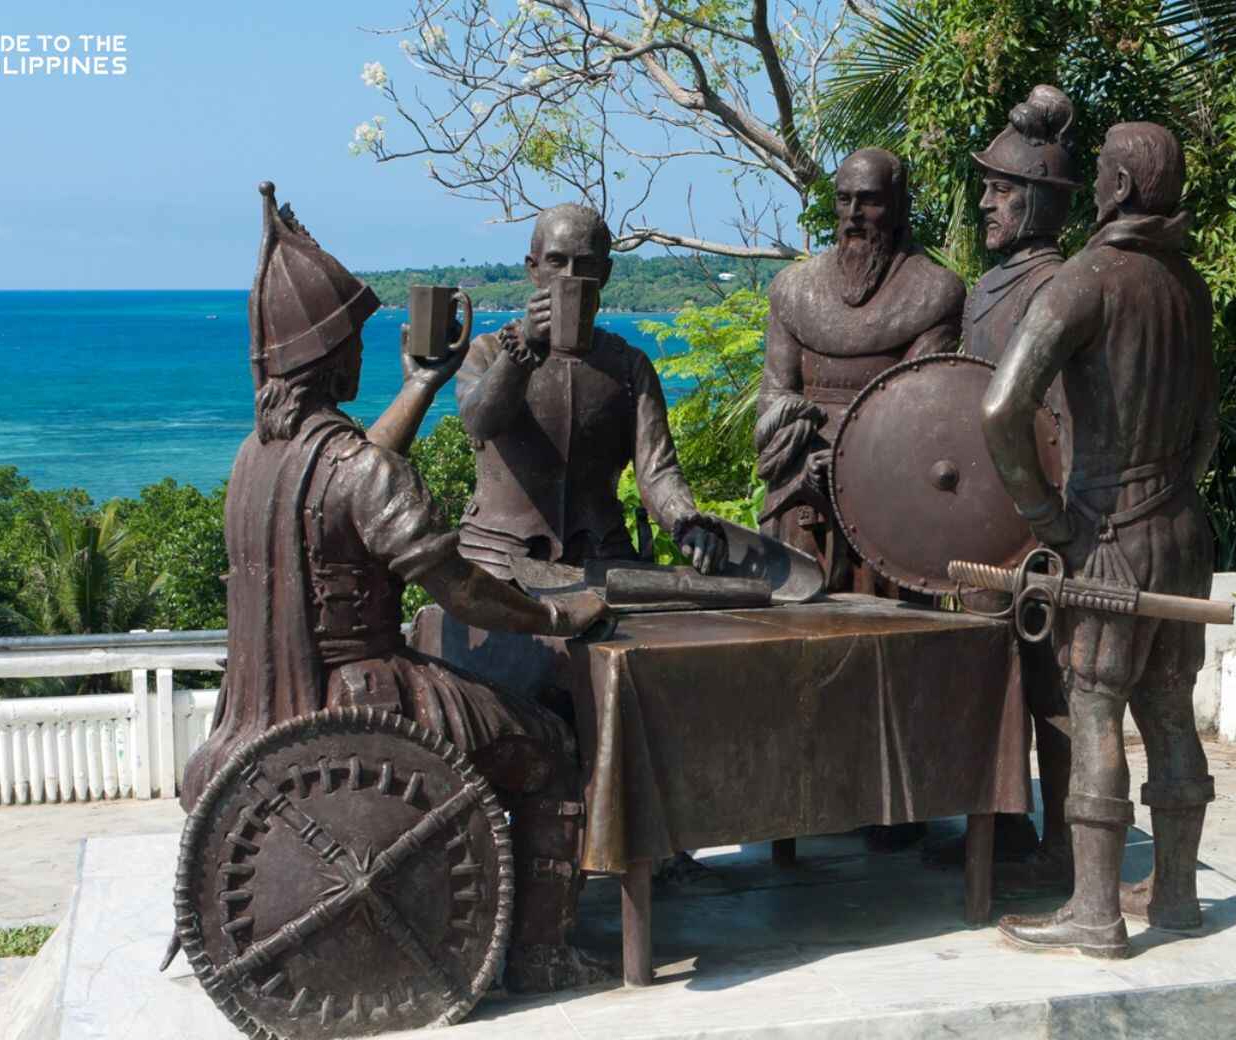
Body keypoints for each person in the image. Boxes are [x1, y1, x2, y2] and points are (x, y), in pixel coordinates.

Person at [181, 182, 611, 991]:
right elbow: (459, 589)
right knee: (550, 750)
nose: (358, 351)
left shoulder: (253, 460)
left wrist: (421, 382)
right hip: (362, 691)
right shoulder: (354, 468)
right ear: (330, 357)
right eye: (352, 340)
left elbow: (358, 470)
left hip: (255, 707)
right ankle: (539, 955)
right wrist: (552, 611)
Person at [981, 123, 1220, 957]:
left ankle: (1095, 913)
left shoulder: (1084, 282)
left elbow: (1001, 410)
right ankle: (1180, 900)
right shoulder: (1190, 286)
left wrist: (1048, 518)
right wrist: (1167, 490)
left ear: (1114, 188)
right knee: (1169, 708)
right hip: (1184, 528)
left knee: (1095, 713)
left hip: (1108, 532)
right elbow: (1209, 427)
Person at [926, 86, 1083, 874]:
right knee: (990, 676)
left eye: (1001, 190)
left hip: (1039, 515)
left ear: (1039, 202)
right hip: (984, 514)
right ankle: (1002, 825)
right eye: (986, 187)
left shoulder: (1060, 285)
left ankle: (1064, 838)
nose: (985, 201)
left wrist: (1052, 517)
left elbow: (1062, 415)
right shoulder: (986, 289)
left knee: (1052, 678)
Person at [453, 203, 726, 578]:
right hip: (497, 559)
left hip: (603, 558)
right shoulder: (488, 352)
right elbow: (480, 422)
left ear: (606, 273)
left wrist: (686, 522)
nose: (570, 276)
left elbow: (657, 470)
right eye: (556, 262)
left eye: (585, 265)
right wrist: (524, 349)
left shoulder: (629, 365)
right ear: (533, 268)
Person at [757, 148, 965, 595]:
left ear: (898, 207)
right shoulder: (793, 291)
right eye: (844, 199)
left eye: (869, 200)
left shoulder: (934, 293)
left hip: (885, 509)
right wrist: (800, 456)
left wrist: (849, 463)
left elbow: (917, 413)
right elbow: (774, 398)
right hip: (802, 501)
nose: (853, 215)